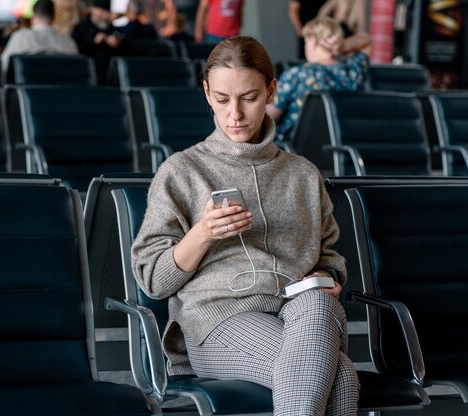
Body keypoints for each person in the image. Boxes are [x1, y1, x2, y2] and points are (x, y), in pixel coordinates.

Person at [131, 35, 359, 415]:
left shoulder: (302, 174)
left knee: (318, 302)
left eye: (249, 98)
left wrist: (328, 275)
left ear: (271, 91)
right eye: (222, 99)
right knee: (343, 376)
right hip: (217, 322)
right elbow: (154, 281)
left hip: (298, 313)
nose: (234, 113)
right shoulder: (183, 172)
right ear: (206, 93)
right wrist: (203, 232)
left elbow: (330, 256)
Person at [268, 16, 370, 140]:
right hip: (340, 151)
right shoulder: (354, 73)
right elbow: (366, 41)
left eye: (306, 41)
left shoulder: (296, 75)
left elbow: (266, 121)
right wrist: (339, 46)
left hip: (294, 152)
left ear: (312, 40)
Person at [1, 0, 78, 71]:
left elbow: (3, 67)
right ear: (53, 18)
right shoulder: (69, 43)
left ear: (34, 16)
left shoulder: (21, 37)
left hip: (27, 85)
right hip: (63, 85)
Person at [71, 0, 123, 84]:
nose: (105, 16)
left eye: (107, 12)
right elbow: (75, 49)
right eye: (102, 12)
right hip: (85, 75)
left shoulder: (113, 30)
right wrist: (94, 42)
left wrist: (117, 44)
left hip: (110, 78)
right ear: (93, 10)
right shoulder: (80, 28)